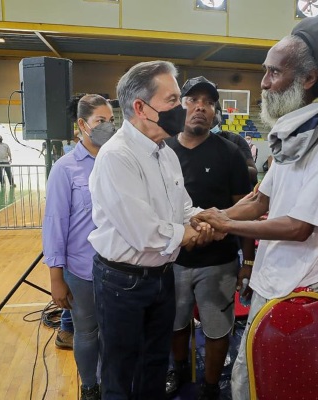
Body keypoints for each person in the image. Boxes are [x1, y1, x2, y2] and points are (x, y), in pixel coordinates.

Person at [193, 16, 318, 400]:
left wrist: (225, 226)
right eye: (265, 71)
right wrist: (213, 216)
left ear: (308, 79)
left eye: (274, 72)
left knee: (278, 382)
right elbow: (260, 200)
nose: (263, 83)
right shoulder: (295, 133)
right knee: (249, 375)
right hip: (273, 277)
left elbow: (299, 227)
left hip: (298, 286)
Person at [87, 60, 218, 400]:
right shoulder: (117, 156)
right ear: (141, 107)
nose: (182, 108)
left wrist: (211, 219)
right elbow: (144, 233)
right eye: (173, 100)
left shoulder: (165, 153)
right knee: (121, 373)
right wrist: (193, 233)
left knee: (155, 366)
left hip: (161, 276)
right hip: (122, 282)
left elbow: (183, 208)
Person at [165, 76, 252, 400]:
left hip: (219, 262)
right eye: (193, 100)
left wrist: (248, 262)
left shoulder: (230, 154)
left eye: (208, 102)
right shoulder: (163, 151)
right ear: (180, 106)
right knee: (175, 323)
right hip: (172, 259)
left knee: (217, 329)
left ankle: (211, 386)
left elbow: (246, 211)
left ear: (216, 111)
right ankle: (178, 369)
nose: (200, 107)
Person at [43, 94, 115, 400]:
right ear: (82, 125)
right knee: (87, 332)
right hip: (82, 269)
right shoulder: (65, 168)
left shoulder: (117, 162)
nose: (108, 126)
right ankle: (89, 387)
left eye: (111, 120)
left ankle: (111, 384)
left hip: (117, 268)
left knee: (113, 334)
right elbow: (55, 224)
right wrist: (56, 278)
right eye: (100, 121)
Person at [212, 102, 258, 186]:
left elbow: (253, 173)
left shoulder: (235, 140)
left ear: (218, 115)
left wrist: (230, 167)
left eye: (208, 104)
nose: (200, 109)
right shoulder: (188, 144)